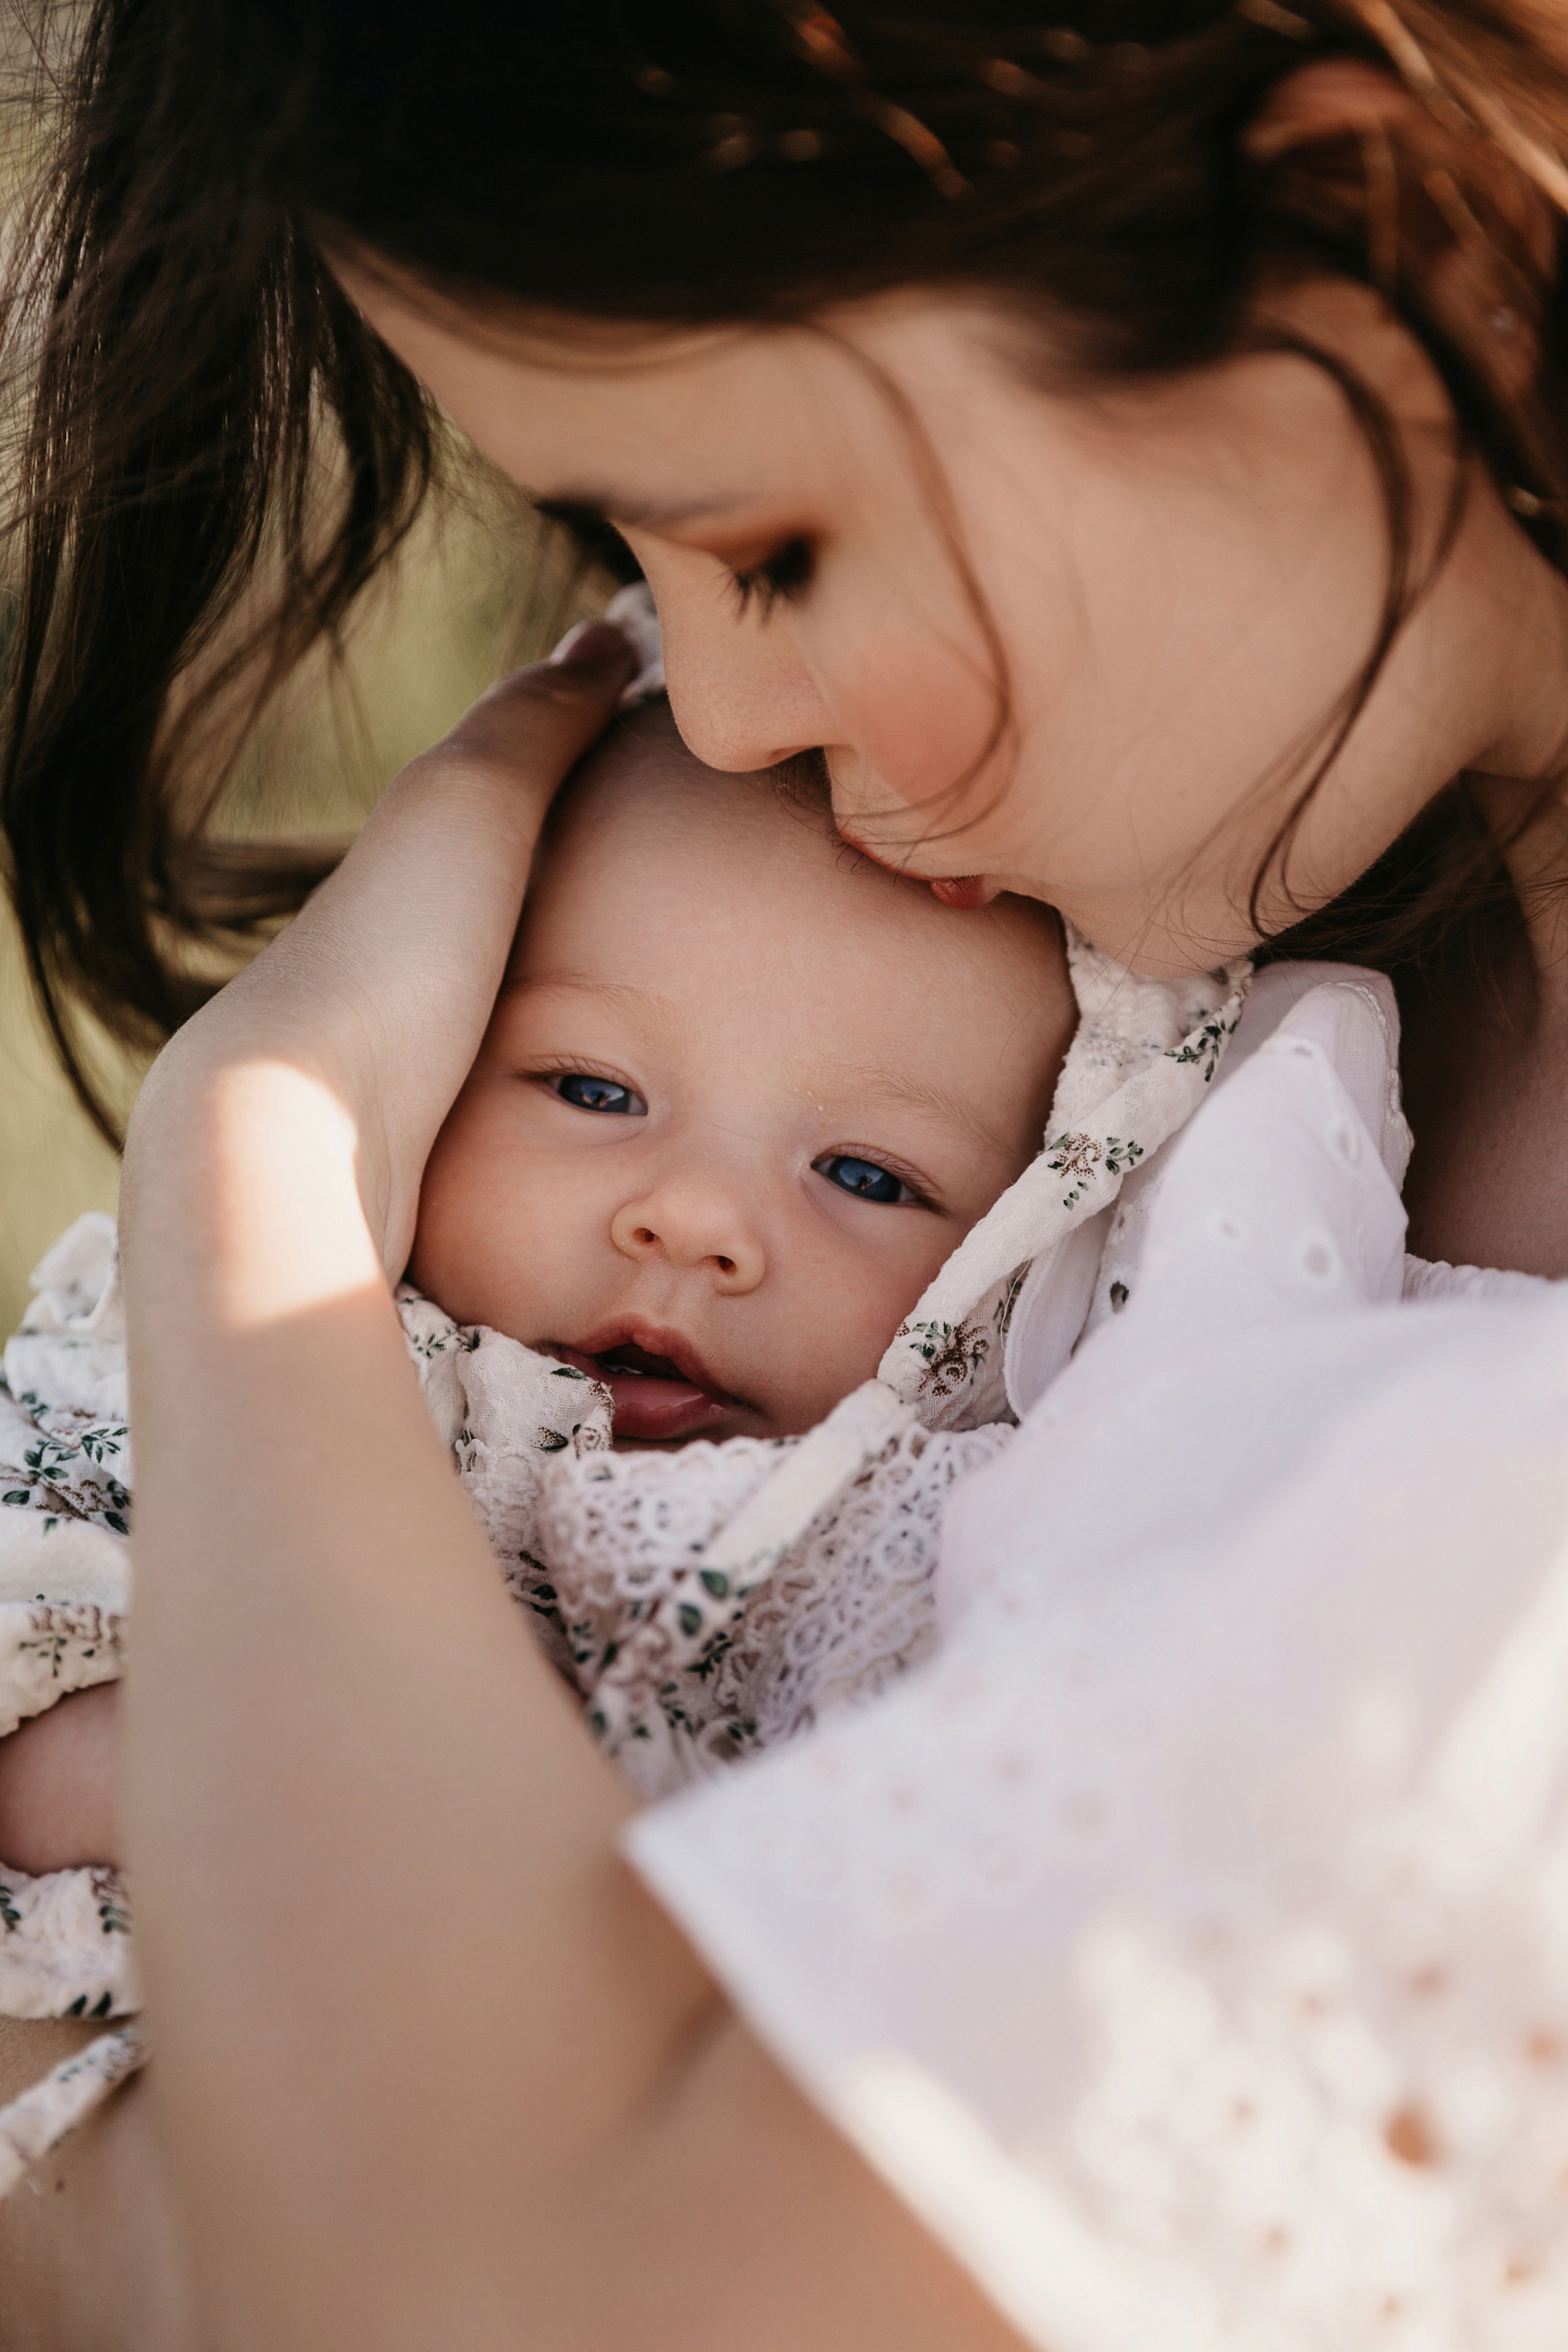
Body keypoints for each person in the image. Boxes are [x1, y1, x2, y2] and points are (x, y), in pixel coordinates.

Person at [6, 1, 1568, 2344]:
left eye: (785, 547)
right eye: (622, 544)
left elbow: (432, 2291)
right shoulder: (1048, 927)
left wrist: (267, 1171)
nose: (710, 717)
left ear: (1375, 249)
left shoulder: (1492, 1543)